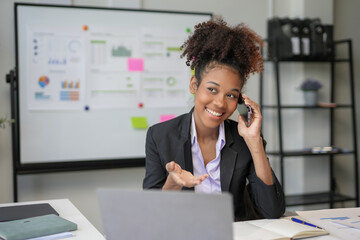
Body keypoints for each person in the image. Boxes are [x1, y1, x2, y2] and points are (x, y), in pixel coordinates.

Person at [143, 18, 285, 220]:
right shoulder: (160, 136)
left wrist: (255, 143)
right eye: (212, 89)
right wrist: (173, 183)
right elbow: (152, 214)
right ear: (194, 85)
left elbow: (272, 211)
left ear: (240, 100)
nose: (219, 103)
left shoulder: (244, 139)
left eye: (231, 95)